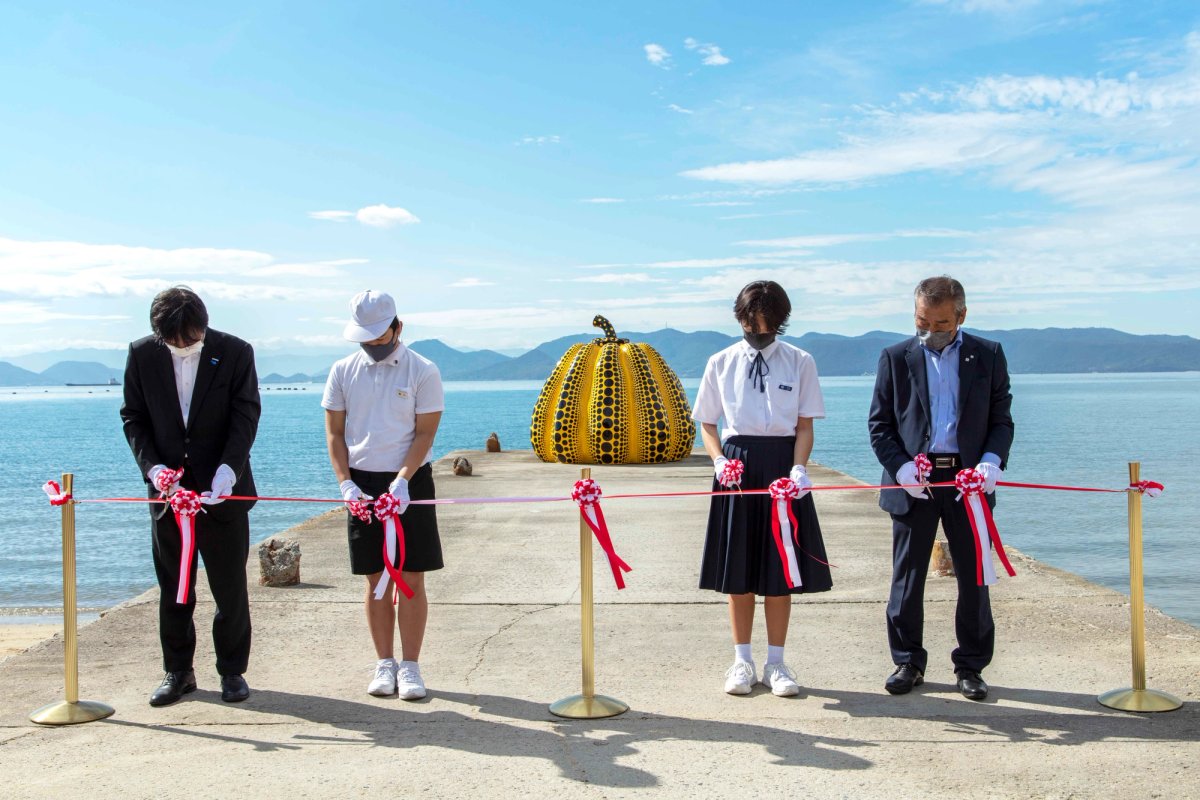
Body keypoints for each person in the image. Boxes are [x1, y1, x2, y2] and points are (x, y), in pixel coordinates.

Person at [868, 275, 1014, 701]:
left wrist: (991, 461)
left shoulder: (988, 355)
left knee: (973, 579)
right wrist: (900, 469)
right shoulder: (895, 357)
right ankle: (907, 660)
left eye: (941, 323)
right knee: (908, 579)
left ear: (962, 316)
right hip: (914, 484)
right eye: (921, 321)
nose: (929, 331)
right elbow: (880, 425)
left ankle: (970, 665)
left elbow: (1002, 419)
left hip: (968, 483)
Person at [120, 286, 260, 706]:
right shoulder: (142, 353)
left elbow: (246, 414)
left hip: (223, 492)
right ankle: (178, 671)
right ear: (159, 334)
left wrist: (227, 471)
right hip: (169, 495)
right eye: (175, 342)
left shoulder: (235, 351)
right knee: (174, 586)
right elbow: (133, 417)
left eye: (192, 340)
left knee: (229, 585)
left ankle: (232, 671)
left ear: (204, 325)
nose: (184, 347)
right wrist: (153, 468)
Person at [692, 279, 832, 696]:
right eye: (751, 326)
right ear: (739, 319)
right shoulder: (720, 362)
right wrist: (718, 460)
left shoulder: (800, 361)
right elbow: (708, 423)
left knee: (779, 569)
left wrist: (799, 468)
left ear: (781, 323)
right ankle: (741, 661)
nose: (758, 334)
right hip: (736, 467)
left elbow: (804, 426)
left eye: (767, 327)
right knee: (738, 568)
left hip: (781, 468)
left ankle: (776, 663)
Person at [322, 289, 445, 700]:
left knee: (411, 577)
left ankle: (411, 666)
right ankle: (384, 663)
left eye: (380, 337)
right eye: (366, 339)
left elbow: (425, 433)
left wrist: (404, 479)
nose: (374, 346)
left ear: (398, 328)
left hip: (409, 482)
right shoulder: (342, 370)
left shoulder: (422, 370)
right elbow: (336, 433)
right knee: (376, 578)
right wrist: (345, 483)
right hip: (362, 483)